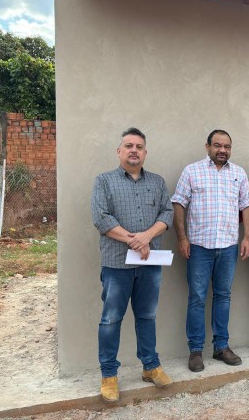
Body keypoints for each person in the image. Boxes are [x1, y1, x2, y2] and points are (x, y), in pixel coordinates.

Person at [91, 127, 174, 403]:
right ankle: (109, 375)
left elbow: (167, 213)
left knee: (147, 317)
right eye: (128, 145)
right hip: (116, 265)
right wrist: (135, 241)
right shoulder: (104, 182)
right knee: (111, 319)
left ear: (145, 152)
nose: (134, 150)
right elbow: (102, 219)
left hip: (150, 263)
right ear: (119, 151)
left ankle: (150, 366)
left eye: (139, 146)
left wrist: (148, 236)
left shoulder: (158, 182)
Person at [172, 129, 249, 372]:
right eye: (217, 145)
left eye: (227, 146)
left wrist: (247, 237)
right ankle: (196, 350)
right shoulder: (192, 171)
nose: (223, 150)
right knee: (197, 297)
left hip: (228, 246)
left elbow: (247, 205)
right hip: (199, 247)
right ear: (207, 146)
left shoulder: (238, 173)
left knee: (223, 296)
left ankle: (221, 346)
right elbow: (178, 203)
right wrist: (182, 237)